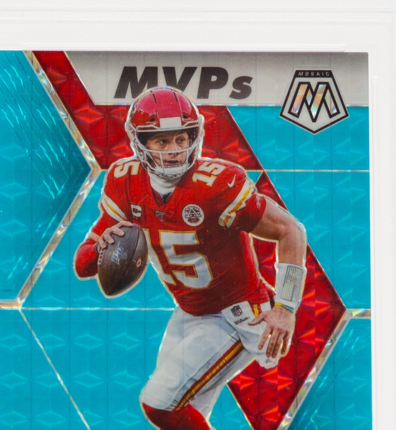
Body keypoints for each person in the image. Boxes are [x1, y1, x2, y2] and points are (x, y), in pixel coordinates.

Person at [74, 87, 307, 430]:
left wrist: (286, 306)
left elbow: (290, 230)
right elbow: (83, 266)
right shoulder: (125, 181)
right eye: (162, 141)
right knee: (180, 416)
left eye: (181, 138)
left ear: (194, 137)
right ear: (140, 142)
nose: (174, 150)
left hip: (235, 315)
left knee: (159, 403)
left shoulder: (217, 184)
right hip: (188, 313)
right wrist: (100, 248)